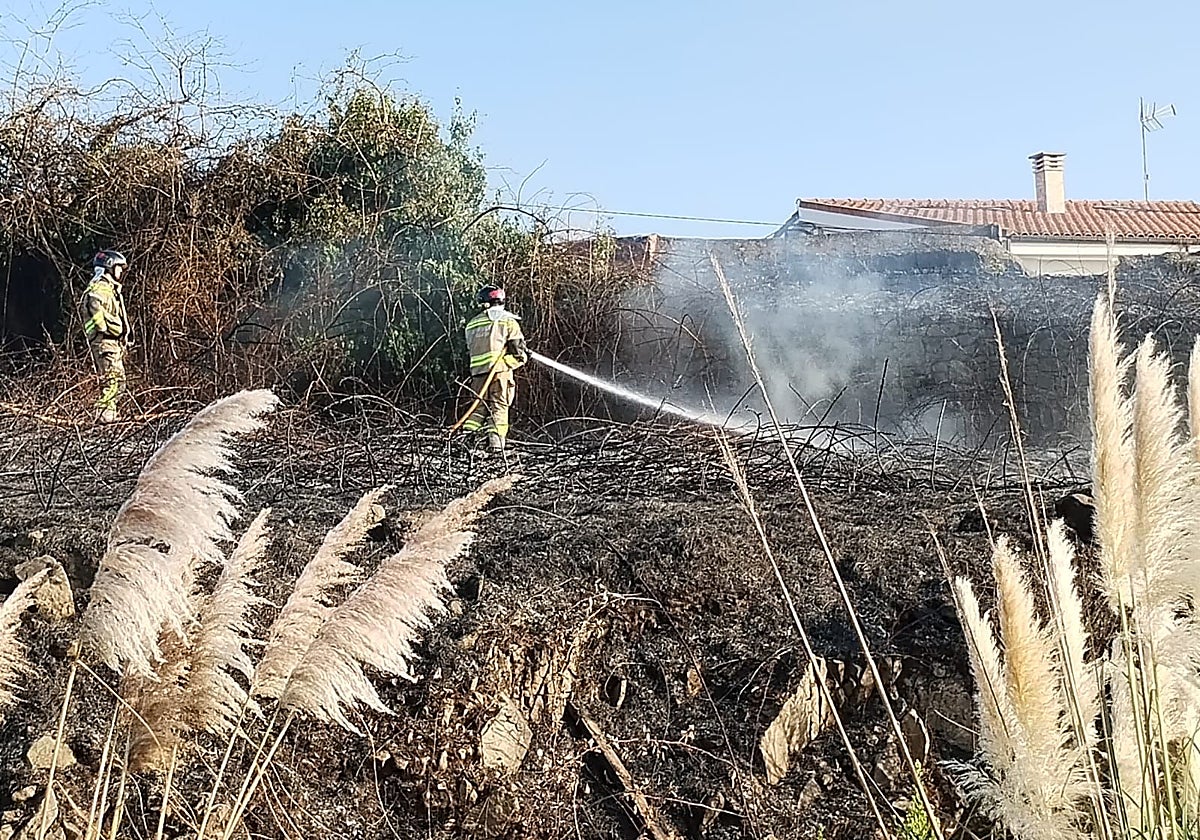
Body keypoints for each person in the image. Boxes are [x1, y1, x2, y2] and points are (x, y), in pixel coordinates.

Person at [462, 285, 528, 453]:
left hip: (478, 375)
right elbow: (518, 350)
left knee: (478, 409)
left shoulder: (471, 324)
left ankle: (466, 442)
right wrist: (524, 357)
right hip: (500, 373)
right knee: (499, 408)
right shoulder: (508, 321)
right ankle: (496, 449)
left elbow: (472, 348)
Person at [82, 250, 131, 424]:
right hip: (105, 342)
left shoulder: (109, 287)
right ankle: (104, 415)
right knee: (114, 381)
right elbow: (94, 303)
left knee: (115, 381)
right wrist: (104, 327)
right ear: (110, 267)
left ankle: (107, 413)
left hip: (110, 342)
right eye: (119, 267)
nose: (121, 272)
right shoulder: (101, 287)